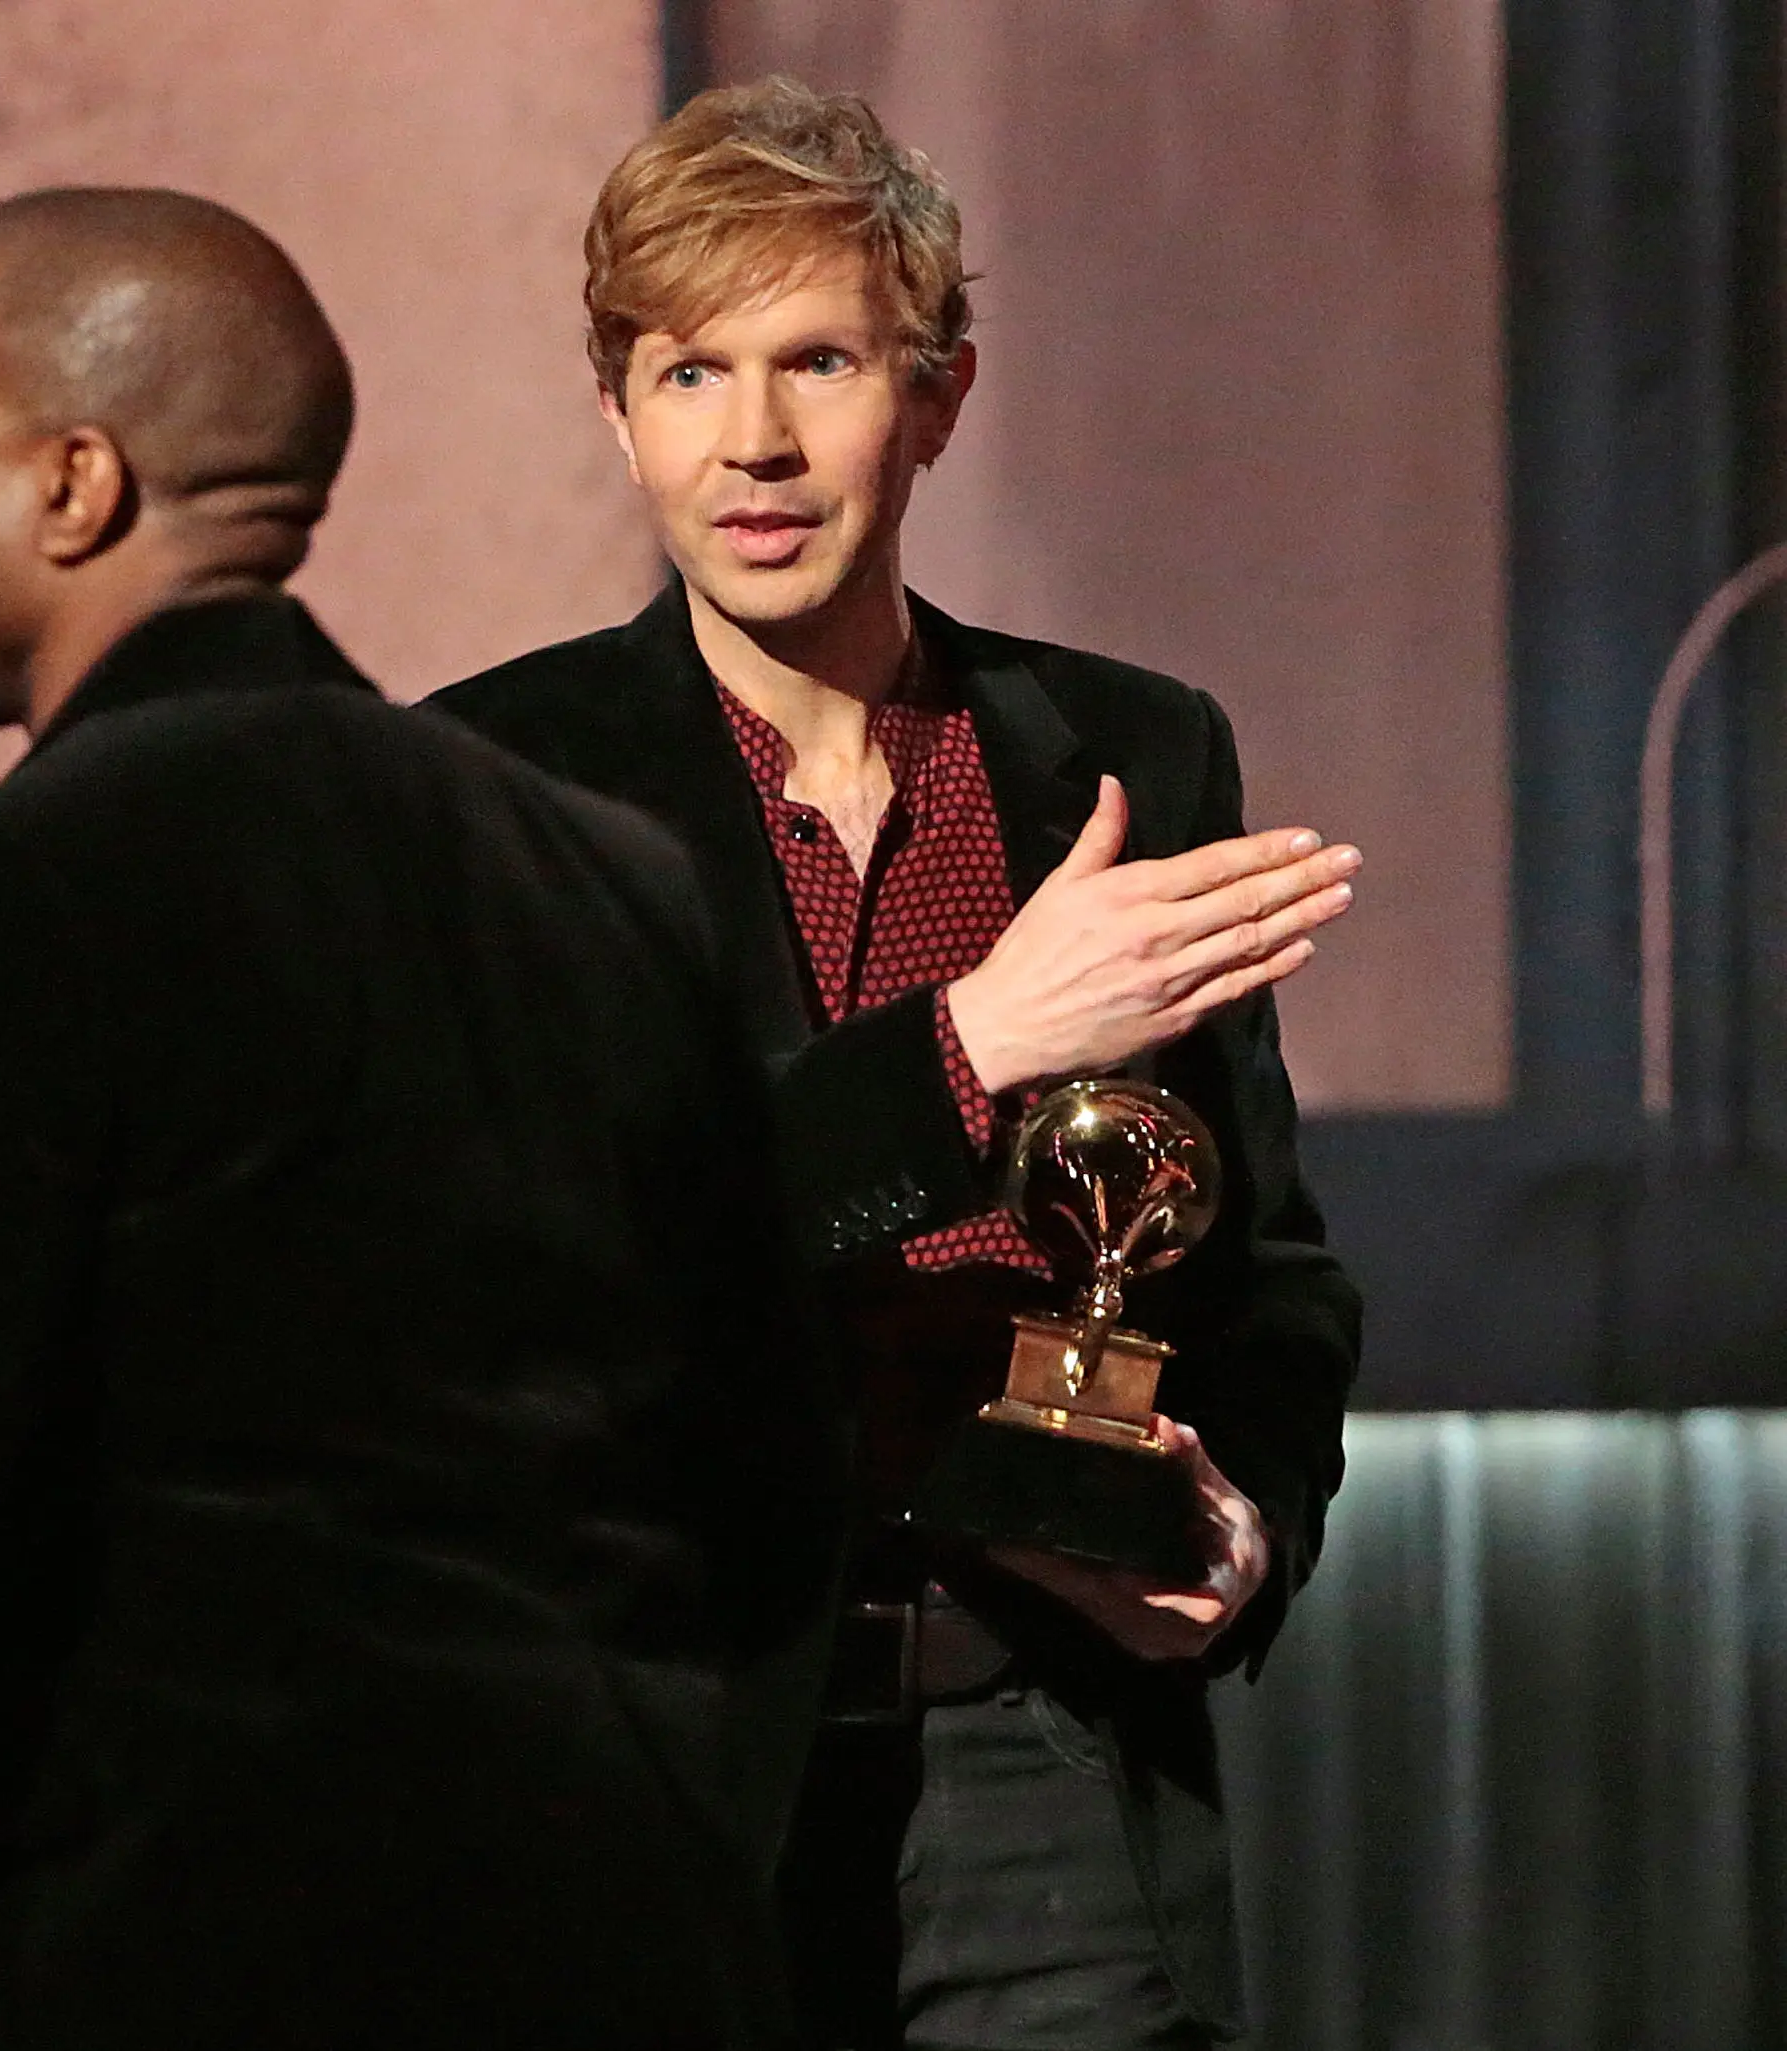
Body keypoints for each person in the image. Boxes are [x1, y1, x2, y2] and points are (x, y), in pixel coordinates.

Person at [0, 187, 847, 2051]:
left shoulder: (3, 891)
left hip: (161, 1956)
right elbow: (770, 1508)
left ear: (73, 486)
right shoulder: (614, 878)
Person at [430, 81, 1364, 2051]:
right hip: (662, 1768)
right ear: (615, 408)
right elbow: (551, 1265)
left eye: (817, 362)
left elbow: (1258, 1261)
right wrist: (974, 1050)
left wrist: (1239, 1528)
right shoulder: (489, 784)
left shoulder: (1121, 753)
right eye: (688, 371)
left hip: (1044, 1757)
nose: (750, 443)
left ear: (933, 394)